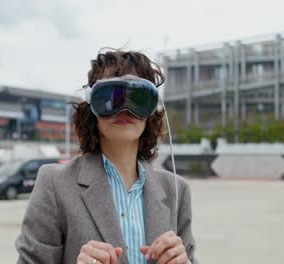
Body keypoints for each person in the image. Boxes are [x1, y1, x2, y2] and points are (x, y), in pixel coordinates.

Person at [15, 49, 198, 264]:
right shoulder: (55, 184)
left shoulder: (176, 191)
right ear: (92, 105)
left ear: (152, 109)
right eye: (112, 97)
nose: (125, 110)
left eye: (138, 98)